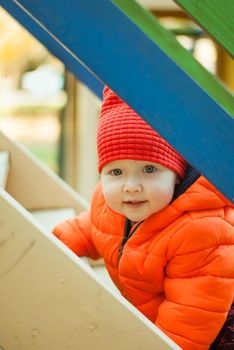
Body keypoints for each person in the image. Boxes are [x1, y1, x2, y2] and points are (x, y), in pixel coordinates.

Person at [53, 86, 234, 350]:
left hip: (215, 329)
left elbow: (190, 318)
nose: (131, 186)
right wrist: (62, 241)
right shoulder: (110, 203)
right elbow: (96, 226)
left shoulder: (201, 230)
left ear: (177, 174)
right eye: (116, 172)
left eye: (149, 169)